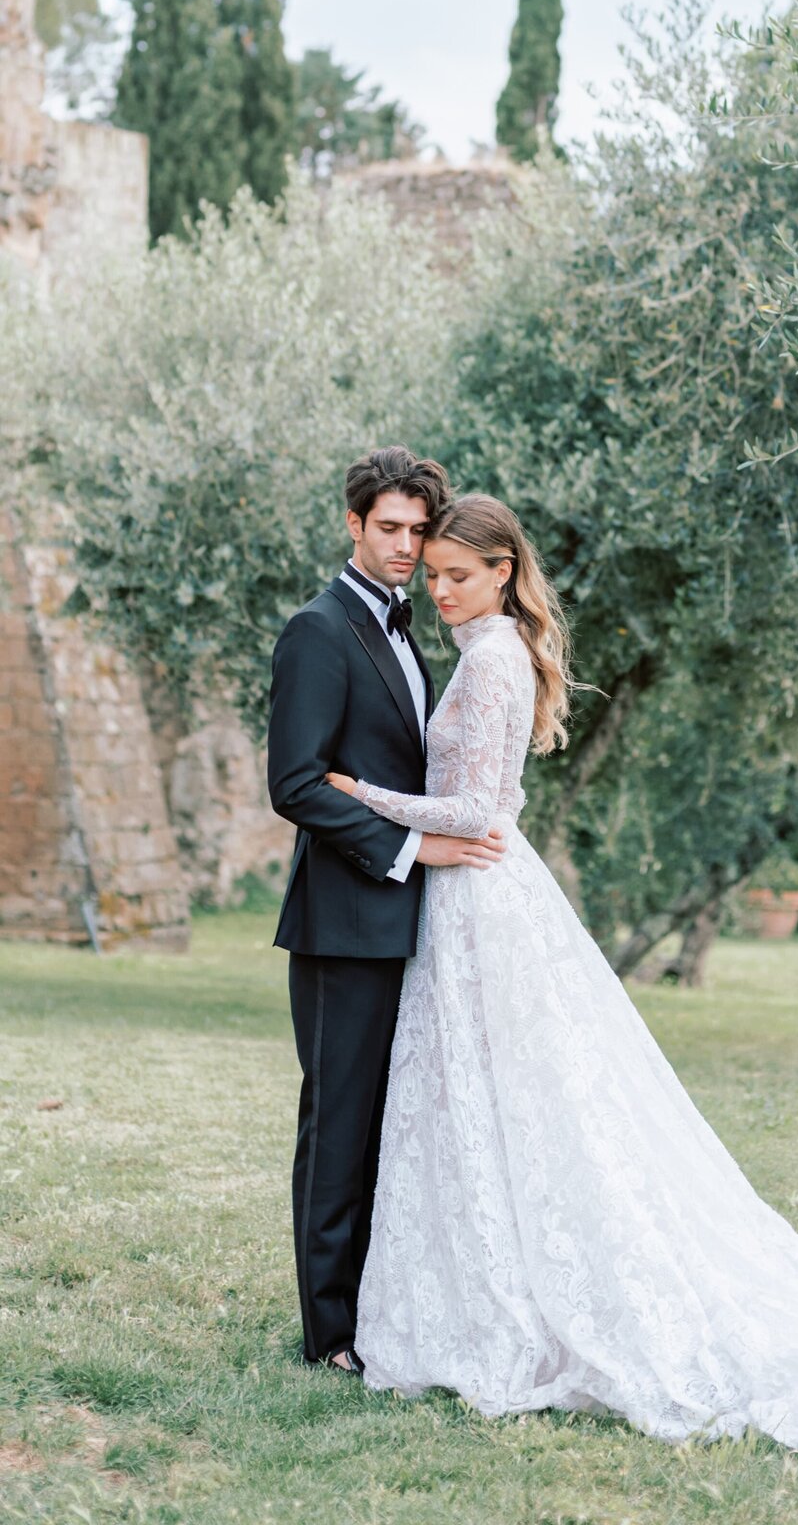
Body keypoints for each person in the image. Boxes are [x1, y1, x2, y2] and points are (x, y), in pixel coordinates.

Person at [323, 493, 798, 1478]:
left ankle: (511, 1306)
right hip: (468, 899)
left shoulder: (492, 657)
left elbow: (483, 808)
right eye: (435, 575)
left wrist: (363, 796)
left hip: (480, 899)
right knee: (482, 1099)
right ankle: (484, 1290)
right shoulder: (486, 650)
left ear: (502, 572)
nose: (440, 590)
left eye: (458, 575)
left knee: (513, 1099)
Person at [267, 448, 505, 1375]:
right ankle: (330, 1338)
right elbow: (295, 783)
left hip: (407, 921)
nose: (405, 547)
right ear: (354, 524)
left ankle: (383, 1316)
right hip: (342, 921)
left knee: (390, 1127)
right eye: (389, 528)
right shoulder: (318, 631)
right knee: (339, 1127)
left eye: (418, 531)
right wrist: (412, 847)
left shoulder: (413, 631)